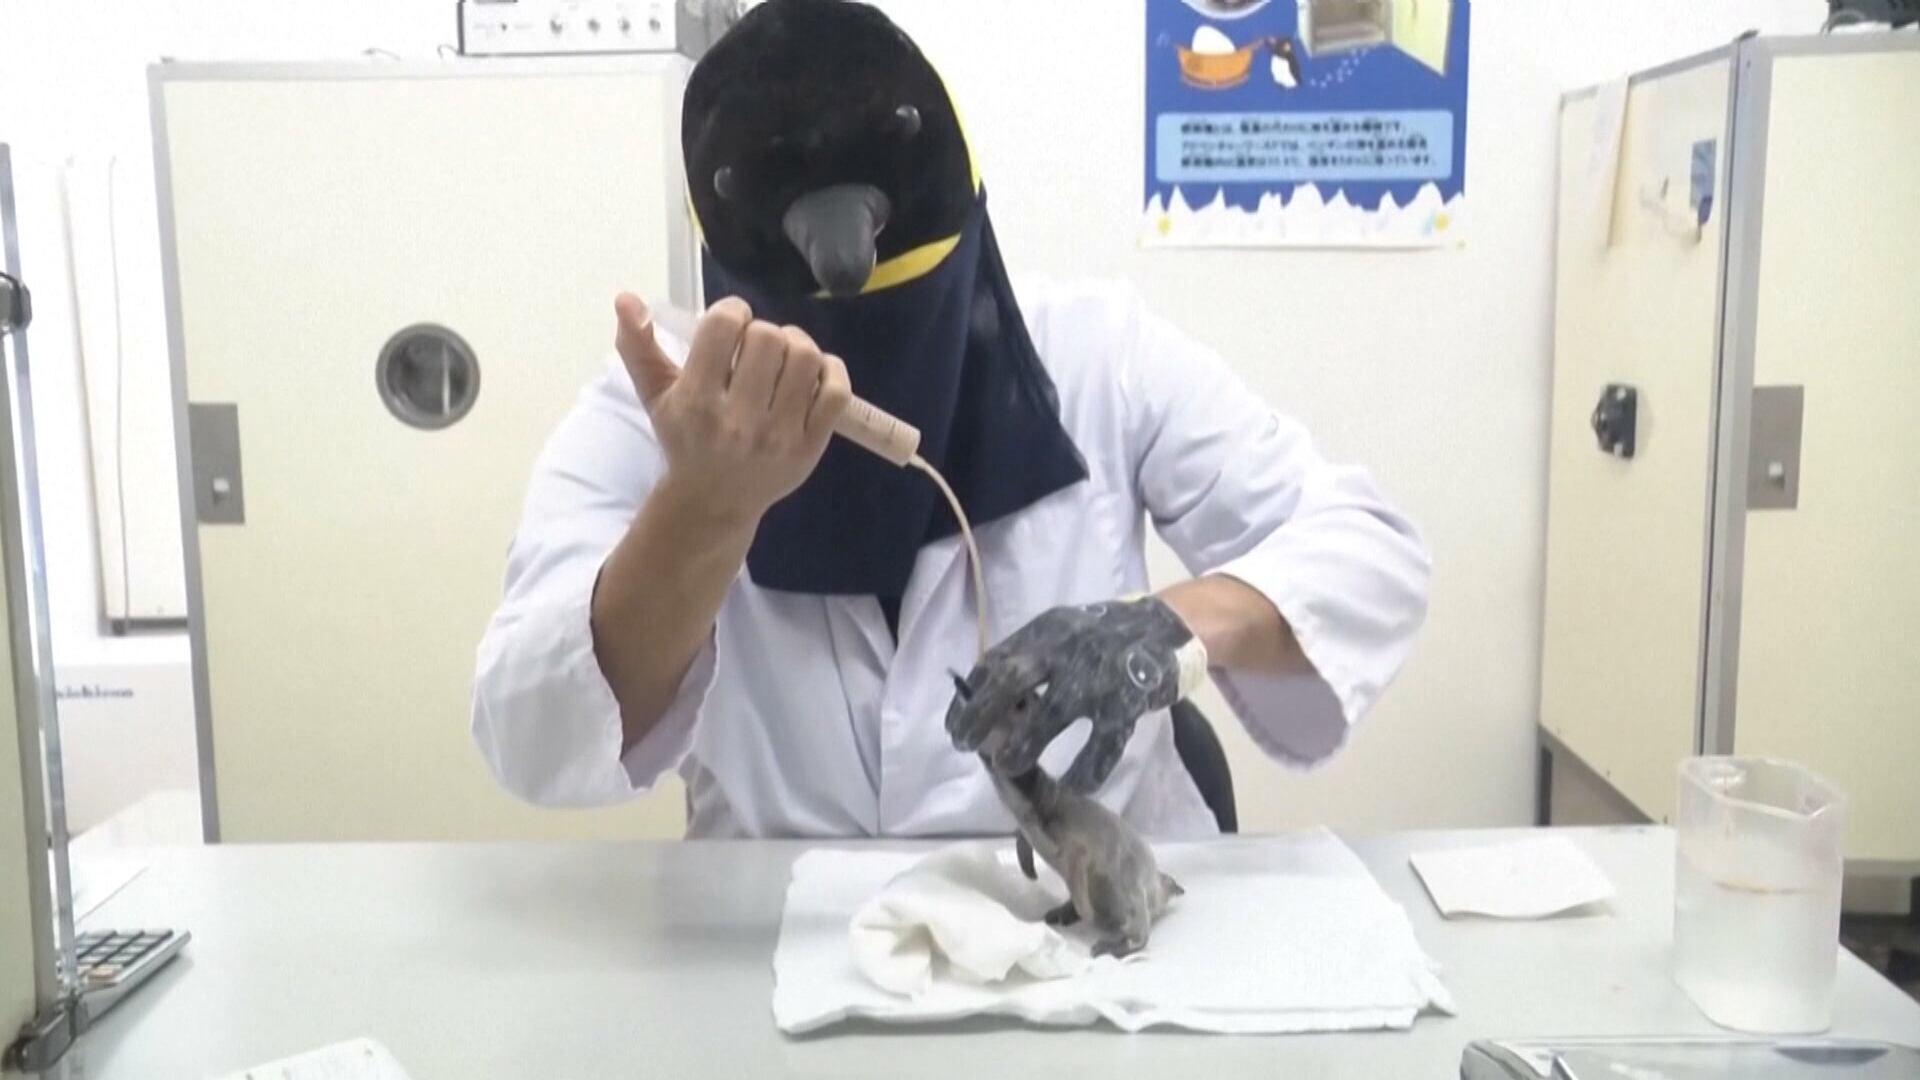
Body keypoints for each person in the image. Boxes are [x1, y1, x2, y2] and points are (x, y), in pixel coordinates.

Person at [469, 0, 1429, 839]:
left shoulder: (1095, 352)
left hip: (1092, 919)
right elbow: (531, 731)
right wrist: (702, 511)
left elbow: (1368, 552)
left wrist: (1163, 626)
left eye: (906, 319)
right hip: (782, 924)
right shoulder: (661, 410)